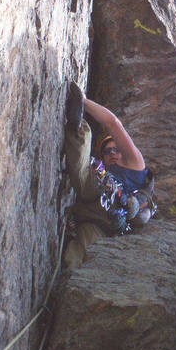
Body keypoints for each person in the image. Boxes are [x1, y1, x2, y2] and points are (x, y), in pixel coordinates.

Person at [63, 82, 153, 268]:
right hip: (91, 201)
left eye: (116, 149)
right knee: (83, 171)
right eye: (106, 151)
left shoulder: (134, 165)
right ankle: (79, 129)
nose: (112, 152)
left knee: (81, 261)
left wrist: (84, 100)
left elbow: (113, 123)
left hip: (105, 221)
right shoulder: (101, 169)